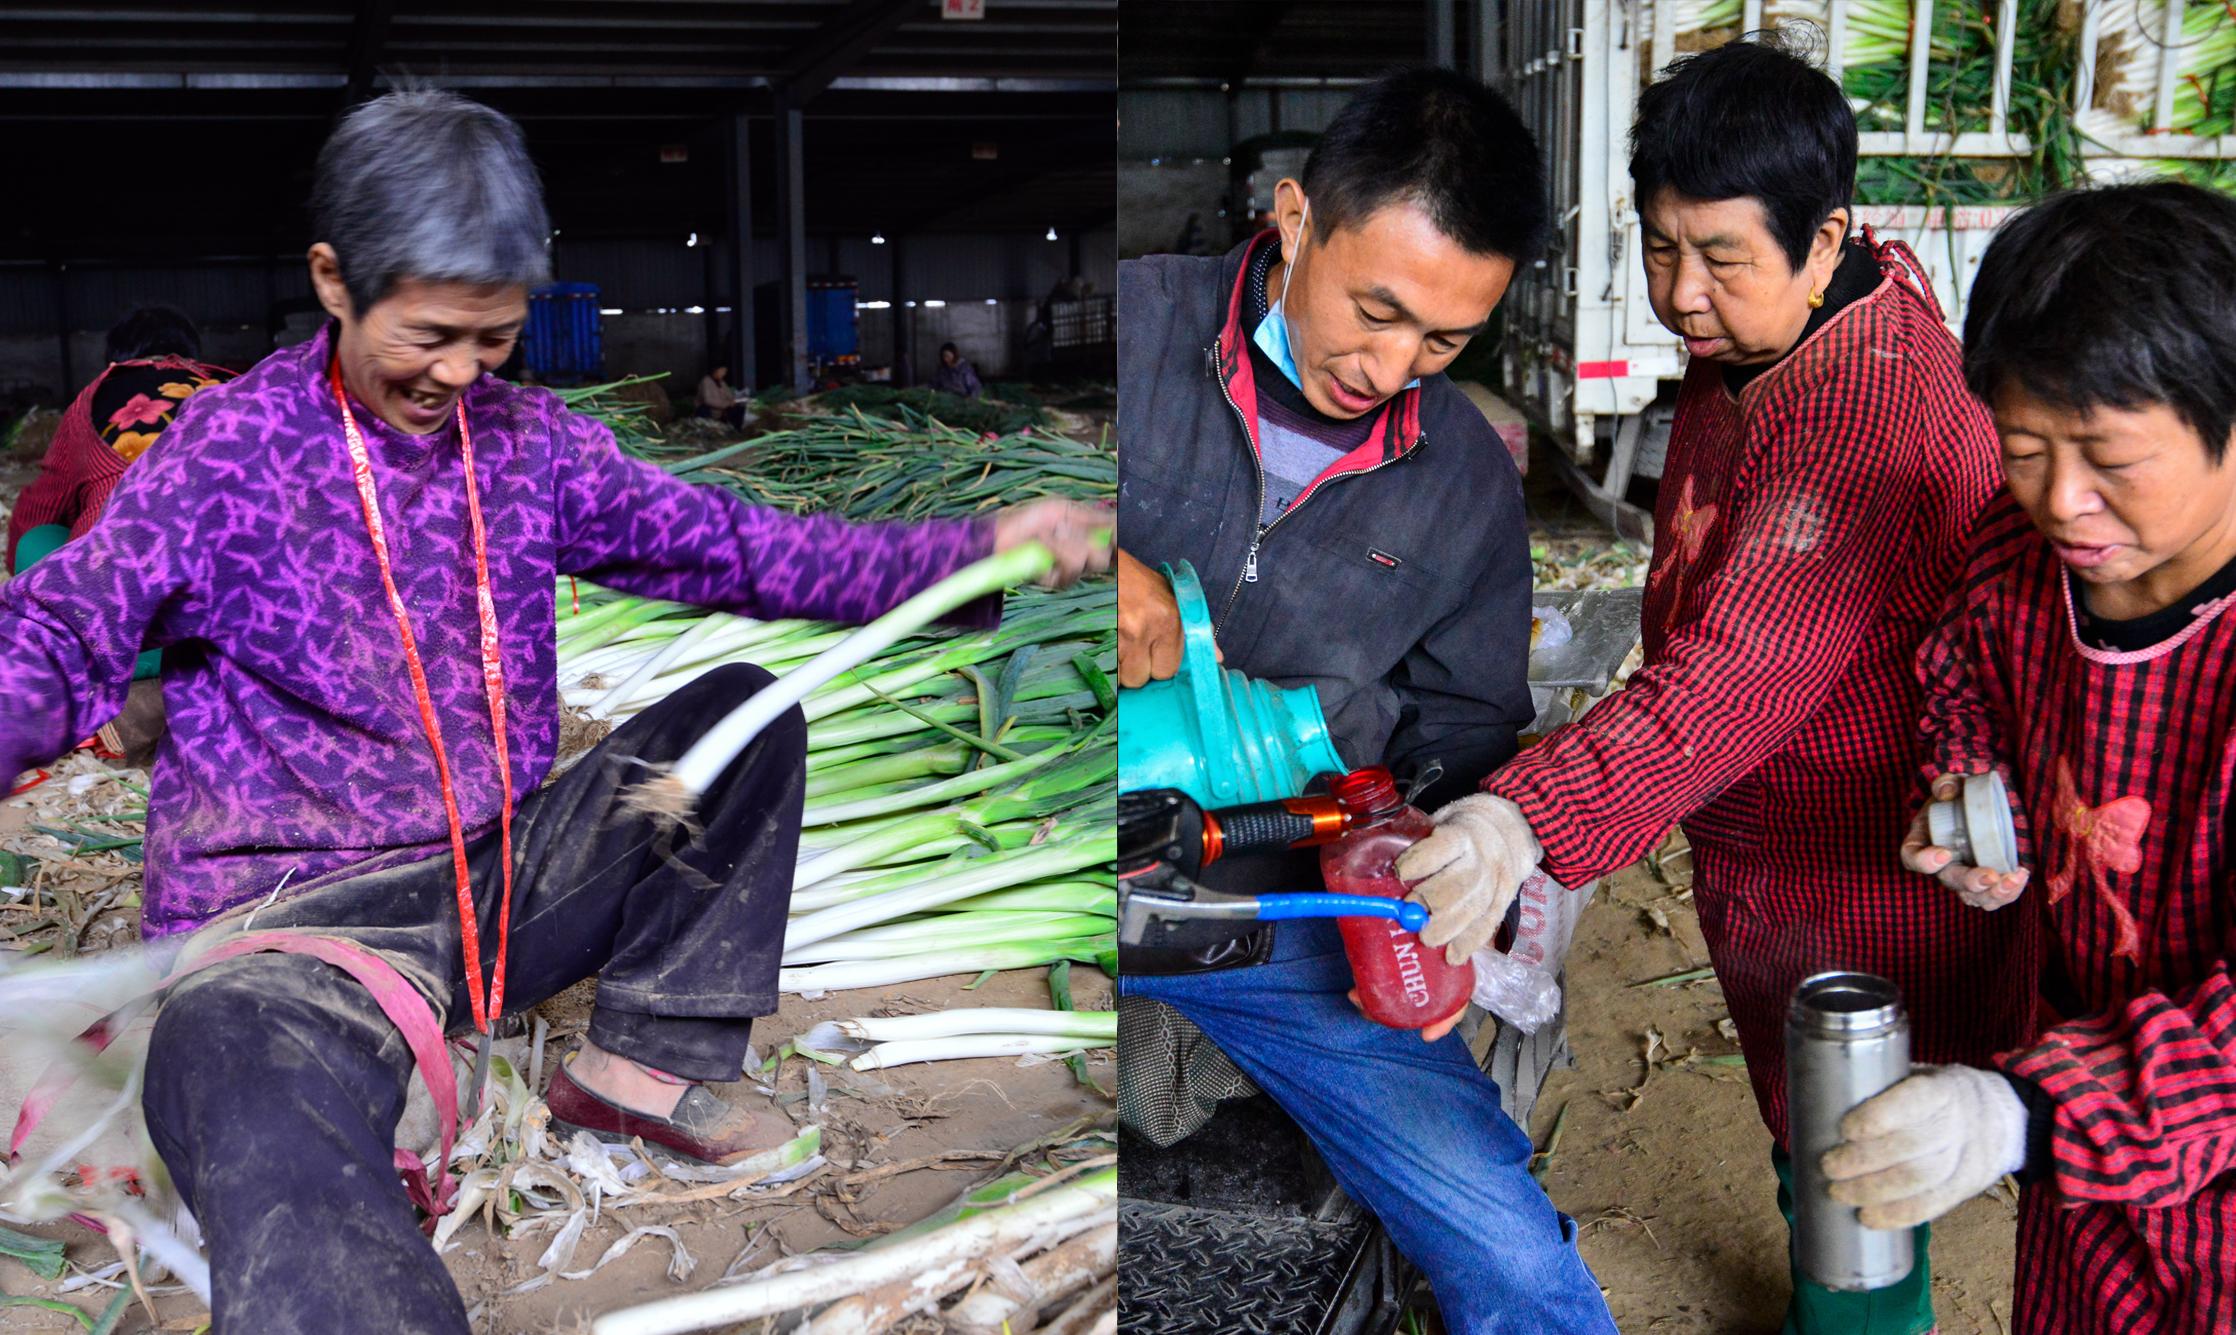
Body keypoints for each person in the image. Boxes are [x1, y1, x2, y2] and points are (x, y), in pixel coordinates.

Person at [0, 90, 1110, 1333]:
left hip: (491, 884)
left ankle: (642, 1060)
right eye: (431, 334)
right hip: (286, 932)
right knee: (265, 1125)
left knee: (741, 719)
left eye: (495, 338)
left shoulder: (529, 445)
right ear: (332, 281)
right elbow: (58, 625)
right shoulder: (227, 454)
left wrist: (971, 551)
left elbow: (743, 551)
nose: (461, 372)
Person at [1389, 37, 2032, 1332]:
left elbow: (1732, 677)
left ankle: (1860, 1320)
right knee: (1818, 1120)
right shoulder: (1774, 328)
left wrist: (1524, 819)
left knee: (1859, 1140)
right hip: (1772, 838)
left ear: (1829, 232)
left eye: (1722, 256)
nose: (1681, 291)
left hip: (1861, 864)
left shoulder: (1867, 413)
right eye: (1659, 246)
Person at [1116, 68, 1615, 1332]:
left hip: (1281, 890)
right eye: (1375, 311)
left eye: (1443, 342)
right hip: (1030, 850)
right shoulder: (1131, 330)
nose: (1391, 366)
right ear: (1294, 222)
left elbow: (1462, 729)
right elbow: (932, 529)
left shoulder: (1460, 479)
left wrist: (1446, 842)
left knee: (1506, 1248)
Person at [1820, 183, 2236, 1334]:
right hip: (2078, 1120)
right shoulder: (2021, 546)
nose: (2061, 500)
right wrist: (1968, 787)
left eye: (2108, 455)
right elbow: (1960, 661)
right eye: (2022, 448)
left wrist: (2023, 1114)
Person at [5, 305, 233, 760]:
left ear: (115, 359)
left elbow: (41, 506)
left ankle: (105, 674)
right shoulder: (234, 390)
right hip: (235, 627)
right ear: (193, 357)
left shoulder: (97, 395)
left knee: (38, 537)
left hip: (123, 632)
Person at [695, 362, 747, 428]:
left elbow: (729, 394)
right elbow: (708, 400)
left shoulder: (721, 382)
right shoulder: (706, 381)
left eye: (725, 371)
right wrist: (727, 403)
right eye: (723, 371)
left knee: (739, 408)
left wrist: (736, 399)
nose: (724, 373)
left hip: (720, 411)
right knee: (703, 409)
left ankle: (736, 429)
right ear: (715, 370)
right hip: (708, 411)